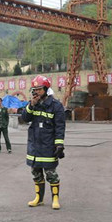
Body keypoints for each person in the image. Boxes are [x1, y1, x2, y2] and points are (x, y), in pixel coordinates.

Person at [20, 75, 65, 210]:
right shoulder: (33, 104)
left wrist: (59, 144)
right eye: (34, 89)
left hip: (48, 145)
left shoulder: (56, 106)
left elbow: (60, 127)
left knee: (51, 174)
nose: (36, 92)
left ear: (46, 89)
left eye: (39, 89)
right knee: (36, 172)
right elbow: (24, 118)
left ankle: (55, 199)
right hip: (34, 145)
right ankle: (39, 198)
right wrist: (31, 105)